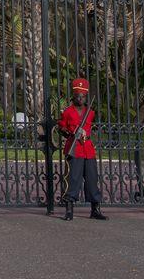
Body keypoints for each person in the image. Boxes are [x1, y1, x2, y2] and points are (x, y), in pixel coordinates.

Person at [58, 77, 107, 221]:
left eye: (83, 96)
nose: (80, 98)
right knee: (73, 178)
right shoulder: (67, 112)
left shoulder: (90, 112)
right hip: (74, 148)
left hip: (87, 149)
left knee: (92, 178)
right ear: (74, 96)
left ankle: (95, 209)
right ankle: (69, 209)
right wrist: (70, 132)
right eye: (78, 95)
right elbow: (61, 126)